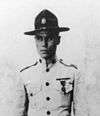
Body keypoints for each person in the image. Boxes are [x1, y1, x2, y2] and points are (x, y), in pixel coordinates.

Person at [15, 9, 87, 116]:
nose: (44, 44)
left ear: (58, 40)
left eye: (49, 38)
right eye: (39, 38)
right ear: (35, 41)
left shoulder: (72, 73)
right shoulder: (25, 75)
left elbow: (82, 112)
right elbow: (18, 113)